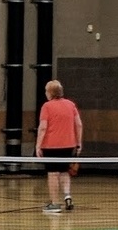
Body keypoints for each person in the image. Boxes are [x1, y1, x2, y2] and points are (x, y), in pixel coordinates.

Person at [35, 79, 83, 214]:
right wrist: (79, 143)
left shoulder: (47, 107)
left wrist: (38, 145)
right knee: (64, 171)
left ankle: (55, 204)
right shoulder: (71, 105)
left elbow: (43, 127)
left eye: (46, 91)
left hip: (51, 146)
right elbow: (78, 124)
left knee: (53, 174)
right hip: (69, 144)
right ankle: (67, 196)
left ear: (50, 93)